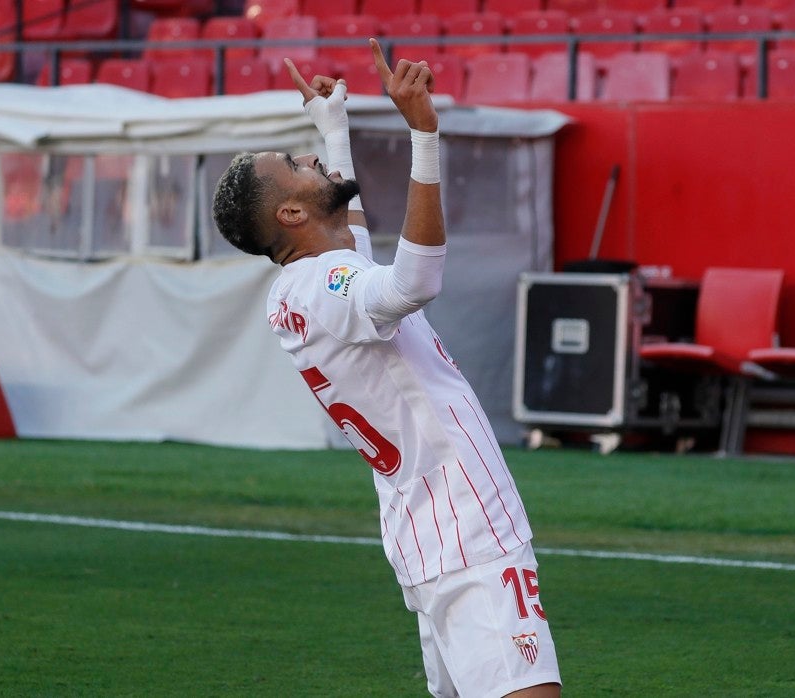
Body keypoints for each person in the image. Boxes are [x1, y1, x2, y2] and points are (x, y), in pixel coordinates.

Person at [212, 39, 562, 698]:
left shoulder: (305, 287)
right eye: (294, 164)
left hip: (423, 523)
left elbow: (352, 251)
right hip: (465, 525)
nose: (308, 160)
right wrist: (424, 134)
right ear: (291, 214)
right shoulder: (323, 287)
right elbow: (412, 282)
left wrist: (333, 129)